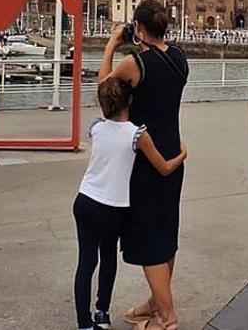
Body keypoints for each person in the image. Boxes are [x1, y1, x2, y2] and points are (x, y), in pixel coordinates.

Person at [98, 0, 189, 330]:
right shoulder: (179, 57)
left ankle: (167, 317)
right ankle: (155, 301)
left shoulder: (135, 63)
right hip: (171, 150)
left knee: (149, 237)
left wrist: (111, 44)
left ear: (137, 27)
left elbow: (104, 89)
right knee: (166, 232)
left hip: (143, 158)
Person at [73, 78, 187, 330]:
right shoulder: (137, 134)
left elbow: (105, 86)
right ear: (131, 101)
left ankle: (84, 323)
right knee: (108, 257)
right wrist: (181, 154)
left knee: (86, 262)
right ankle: (102, 311)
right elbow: (164, 168)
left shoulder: (96, 127)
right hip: (114, 206)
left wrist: (113, 44)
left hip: (85, 199)